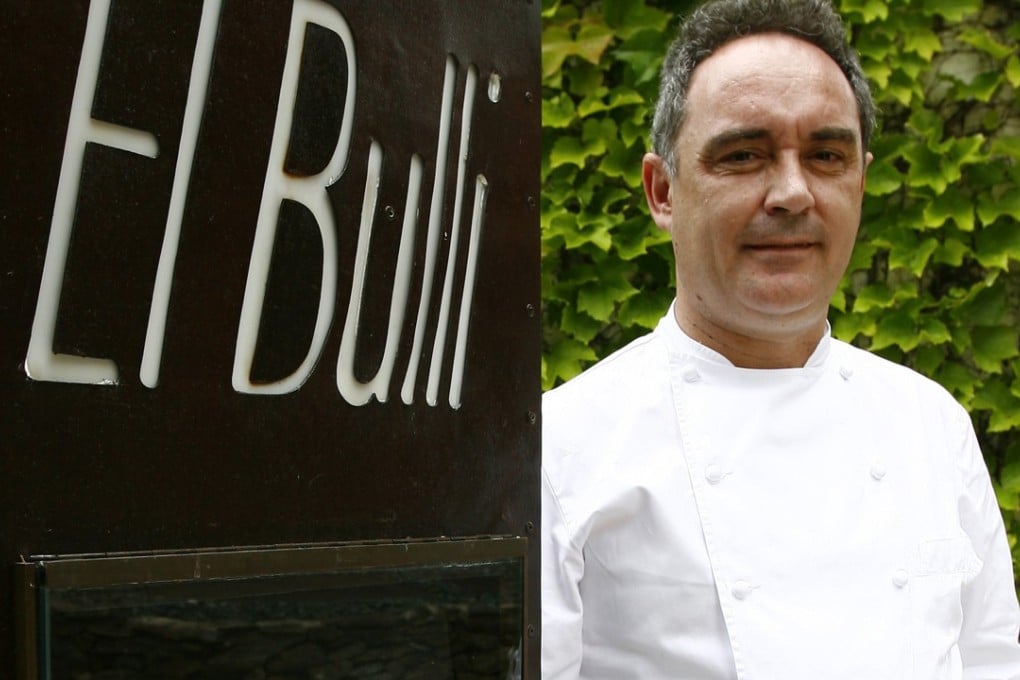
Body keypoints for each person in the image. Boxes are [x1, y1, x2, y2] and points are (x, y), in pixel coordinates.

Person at [540, 0, 1020, 677]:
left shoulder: (931, 422)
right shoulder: (562, 450)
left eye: (826, 155)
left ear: (861, 180)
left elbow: (993, 660)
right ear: (662, 191)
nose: (793, 193)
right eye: (743, 154)